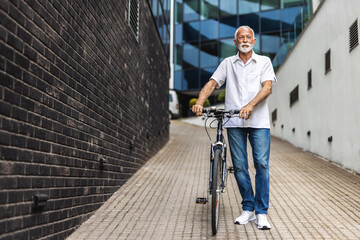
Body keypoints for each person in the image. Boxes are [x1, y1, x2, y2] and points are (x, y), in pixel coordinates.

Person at [192, 26, 276, 230]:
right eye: (241, 37)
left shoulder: (264, 61)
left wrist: (250, 105)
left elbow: (268, 87)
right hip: (234, 122)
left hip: (258, 122)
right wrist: (200, 102)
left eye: (248, 37)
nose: (245, 40)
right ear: (235, 42)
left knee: (262, 164)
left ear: (254, 41)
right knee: (239, 166)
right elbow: (212, 83)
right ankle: (248, 208)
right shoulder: (228, 63)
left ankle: (261, 213)